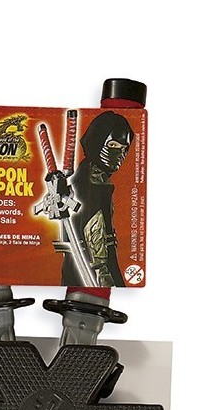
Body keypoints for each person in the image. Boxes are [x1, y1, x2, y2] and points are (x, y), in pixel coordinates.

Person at [62, 110, 135, 287]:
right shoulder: (93, 183)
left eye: (124, 148)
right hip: (90, 272)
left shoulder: (85, 177)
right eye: (113, 145)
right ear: (97, 141)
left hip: (78, 267)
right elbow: (95, 237)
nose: (120, 154)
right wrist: (105, 276)